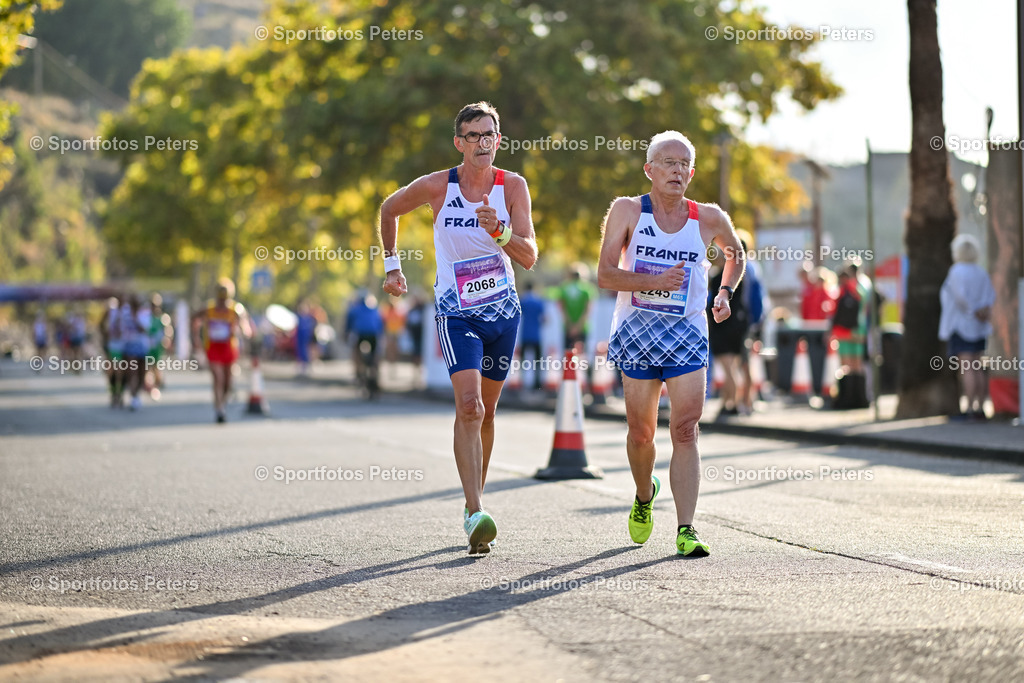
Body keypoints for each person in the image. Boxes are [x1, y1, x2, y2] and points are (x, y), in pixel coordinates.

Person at [379, 101, 538, 554]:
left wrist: (501, 234)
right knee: (468, 407)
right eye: (472, 136)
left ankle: (477, 502)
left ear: (499, 141)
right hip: (457, 312)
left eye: (489, 135)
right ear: (459, 143)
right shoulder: (438, 187)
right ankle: (474, 511)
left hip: (503, 314)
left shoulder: (513, 187)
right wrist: (393, 268)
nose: (482, 143)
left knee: (486, 412)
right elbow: (389, 209)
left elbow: (529, 256)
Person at [598, 130, 744, 557]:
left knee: (685, 428)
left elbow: (735, 254)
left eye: (684, 164)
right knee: (642, 433)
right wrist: (653, 281)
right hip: (637, 330)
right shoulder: (628, 211)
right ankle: (645, 494)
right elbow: (606, 275)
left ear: (692, 173)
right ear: (649, 170)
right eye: (668, 162)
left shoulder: (709, 218)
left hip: (686, 333)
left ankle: (686, 528)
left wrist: (724, 293)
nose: (677, 170)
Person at [939, 234, 995, 420]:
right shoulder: (980, 271)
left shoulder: (957, 271)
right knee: (977, 366)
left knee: (967, 367)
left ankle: (969, 409)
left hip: (962, 325)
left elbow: (960, 298)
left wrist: (973, 311)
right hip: (979, 326)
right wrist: (981, 312)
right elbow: (989, 297)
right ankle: (980, 407)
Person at [191, 278, 253, 423]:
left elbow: (244, 324)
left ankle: (222, 403)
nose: (222, 302)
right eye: (220, 297)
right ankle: (219, 409)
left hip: (229, 348)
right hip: (212, 348)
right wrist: (196, 338)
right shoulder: (209, 309)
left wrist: (244, 332)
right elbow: (194, 319)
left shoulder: (235, 309)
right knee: (218, 378)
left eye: (225, 298)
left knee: (227, 382)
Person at [707, 252, 749, 419]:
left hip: (723, 327)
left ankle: (731, 403)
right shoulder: (739, 279)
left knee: (728, 368)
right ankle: (729, 402)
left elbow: (711, 304)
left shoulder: (719, 278)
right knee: (732, 368)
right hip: (738, 326)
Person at [556, 263, 596, 358]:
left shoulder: (564, 288)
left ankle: (567, 372)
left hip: (568, 327)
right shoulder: (587, 289)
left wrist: (570, 325)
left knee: (567, 354)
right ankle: (587, 372)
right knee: (585, 354)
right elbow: (588, 310)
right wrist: (578, 326)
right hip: (583, 327)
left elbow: (562, 309)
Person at [517, 282, 546, 391]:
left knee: (523, 360)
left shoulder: (523, 301)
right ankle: (537, 382)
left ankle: (522, 381)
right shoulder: (538, 301)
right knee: (537, 361)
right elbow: (544, 318)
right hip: (536, 335)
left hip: (525, 335)